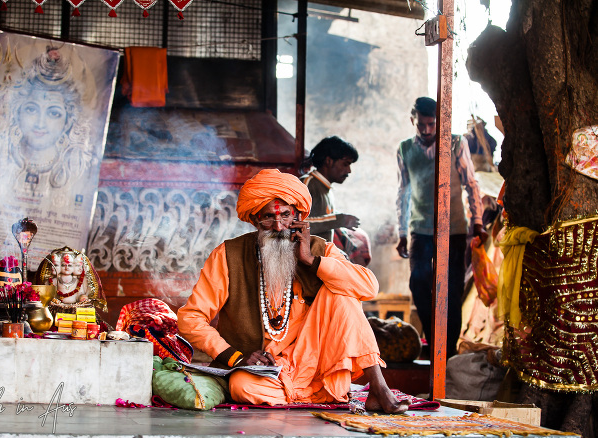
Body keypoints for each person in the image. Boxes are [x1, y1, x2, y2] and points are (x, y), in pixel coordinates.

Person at [177, 169, 409, 413]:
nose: (278, 226)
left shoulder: (320, 249)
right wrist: (234, 357)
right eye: (268, 217)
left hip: (316, 366)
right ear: (256, 219)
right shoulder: (227, 255)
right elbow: (191, 317)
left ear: (298, 216)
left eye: (286, 215)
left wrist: (311, 260)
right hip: (267, 372)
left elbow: (369, 286)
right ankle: (315, 395)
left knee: (343, 292)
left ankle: (379, 387)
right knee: (241, 387)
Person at [395, 97, 486, 357]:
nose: (425, 130)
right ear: (413, 120)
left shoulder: (457, 143)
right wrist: (402, 233)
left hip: (455, 228)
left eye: (431, 124)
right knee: (419, 283)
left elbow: (471, 184)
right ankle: (437, 342)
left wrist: (478, 222)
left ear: (439, 122)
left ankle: (446, 354)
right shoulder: (404, 149)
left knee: (452, 289)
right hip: (420, 229)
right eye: (421, 124)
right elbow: (403, 192)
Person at [8, 46, 92, 195]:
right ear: (18, 112)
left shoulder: (74, 169)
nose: (40, 124)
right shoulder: (1, 159)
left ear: (67, 122)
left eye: (53, 113)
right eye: (31, 109)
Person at [300, 136, 360, 242]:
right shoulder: (308, 184)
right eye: (345, 164)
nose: (349, 170)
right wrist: (340, 220)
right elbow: (299, 224)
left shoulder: (326, 188)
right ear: (328, 161)